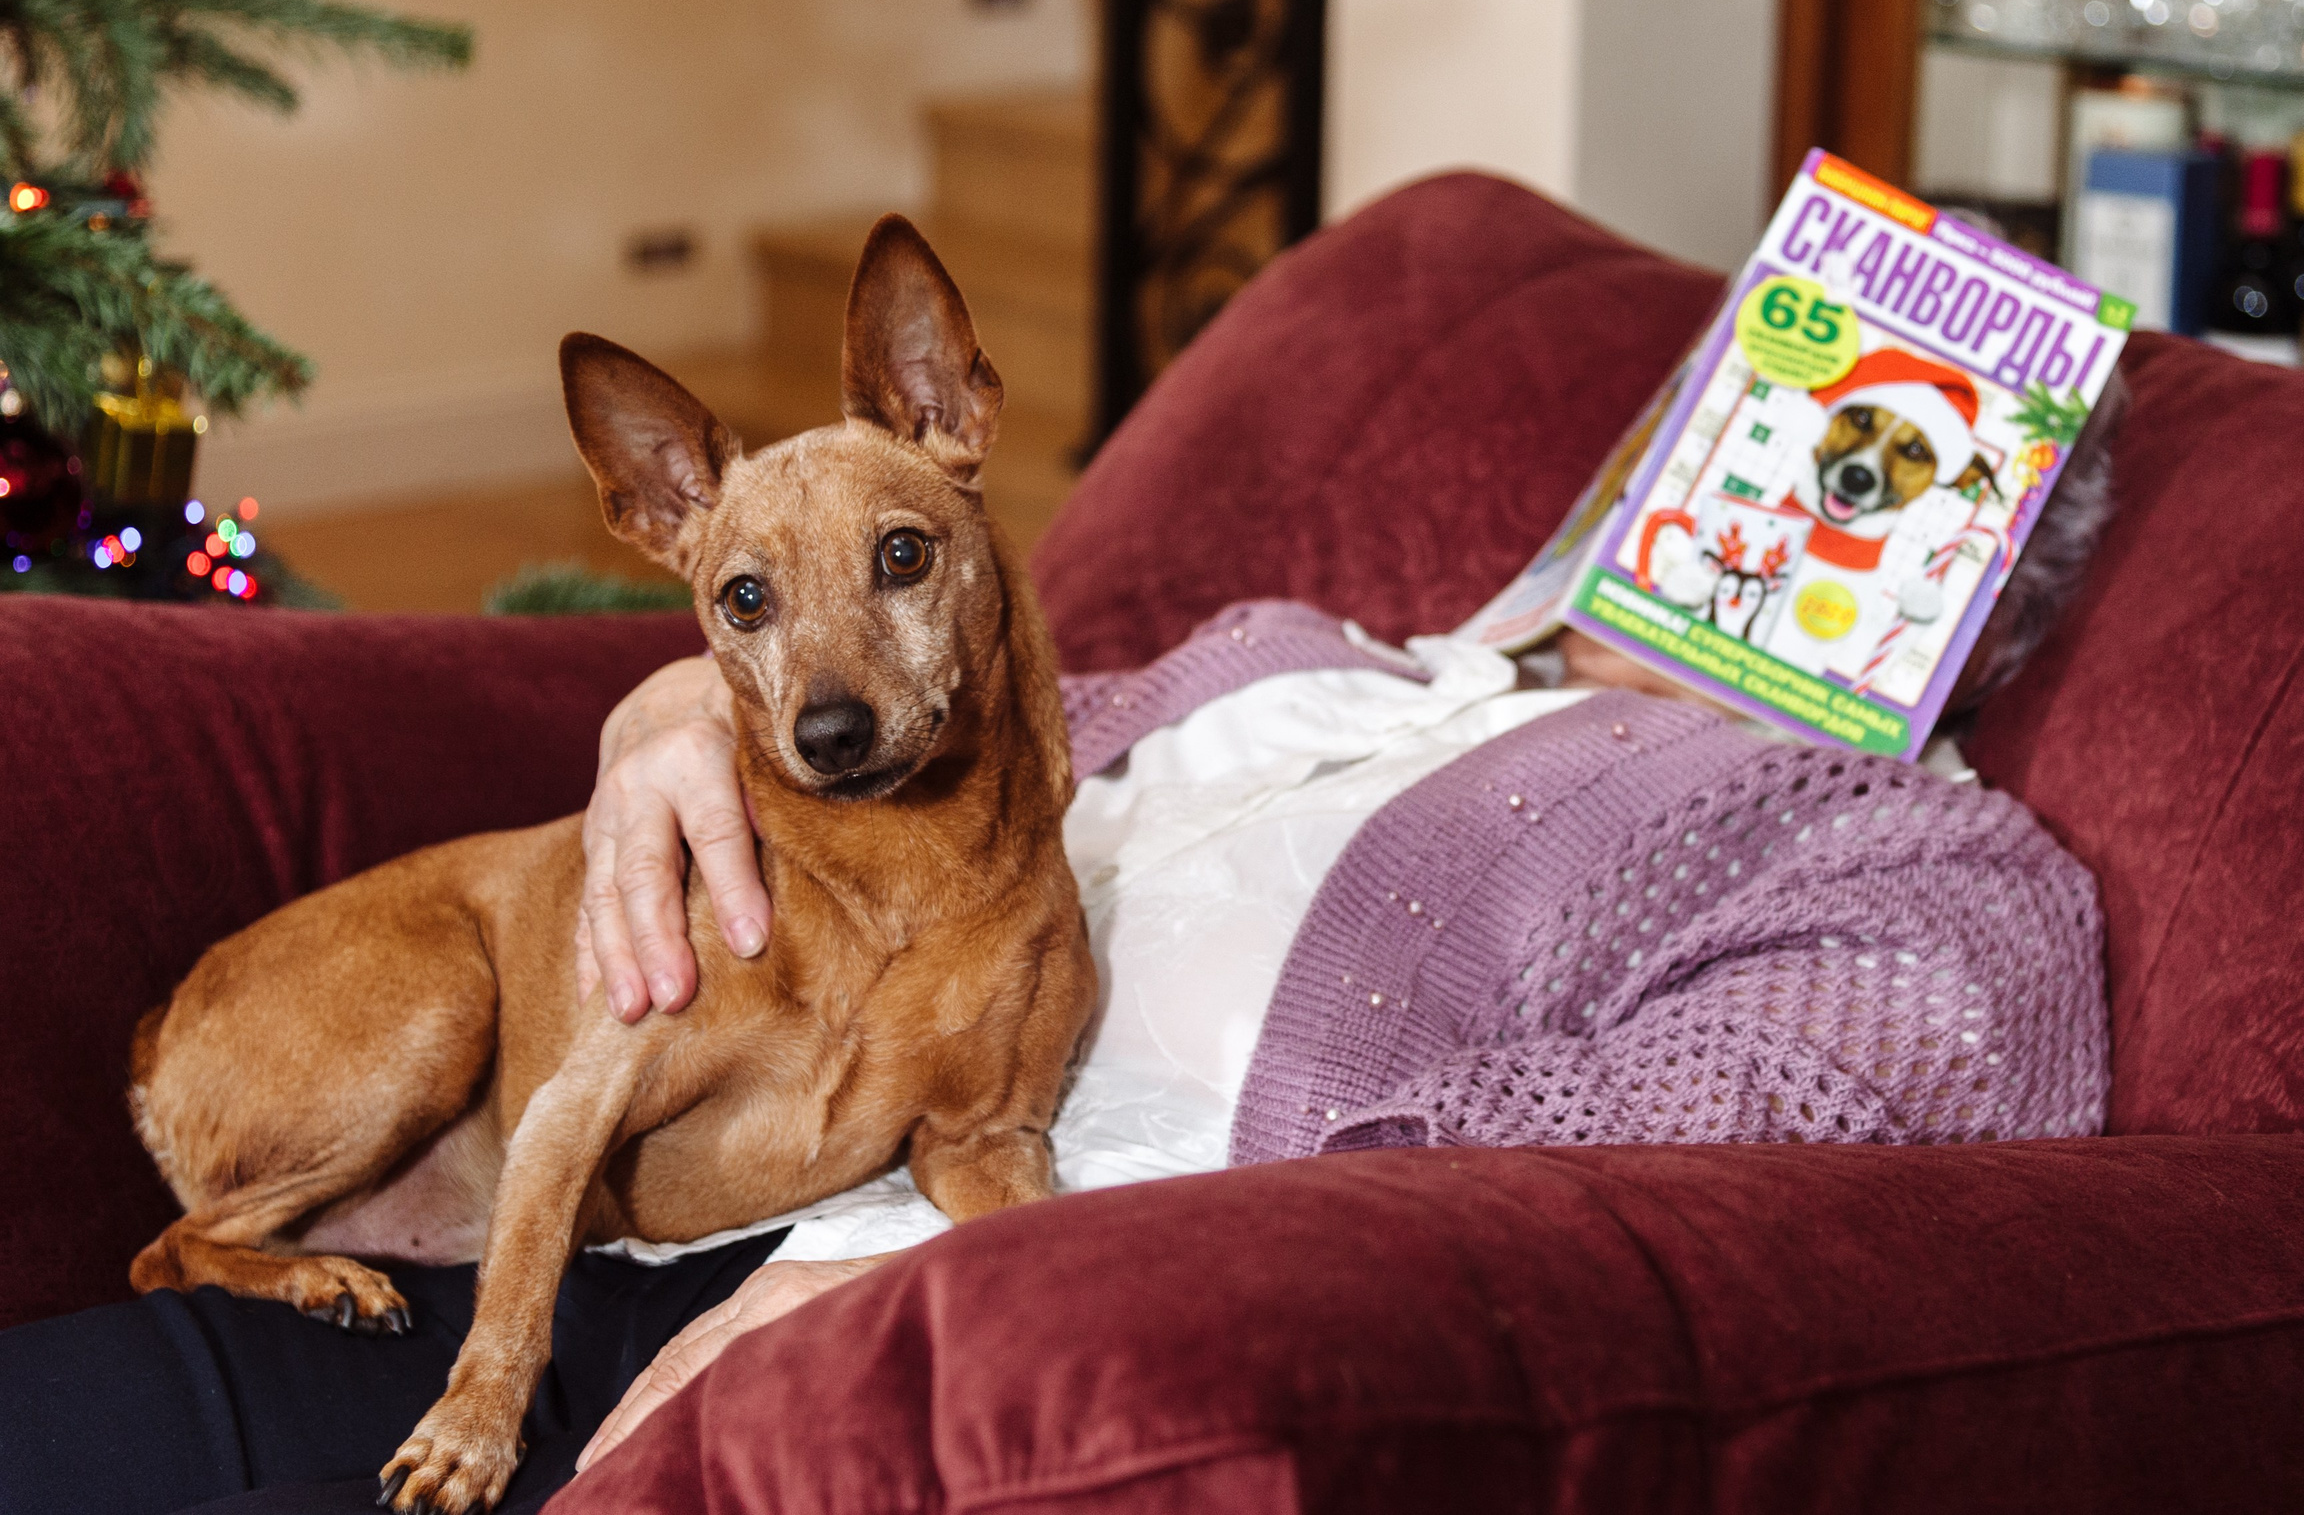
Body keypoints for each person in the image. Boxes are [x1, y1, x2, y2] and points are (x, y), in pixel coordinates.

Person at [0, 596, 2110, 1515]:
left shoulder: (1881, 848)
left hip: (916, 1341)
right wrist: (674, 709)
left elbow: (1683, 1186)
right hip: (559, 1227)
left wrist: (971, 1257)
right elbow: (889, 686)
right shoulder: (1304, 657)